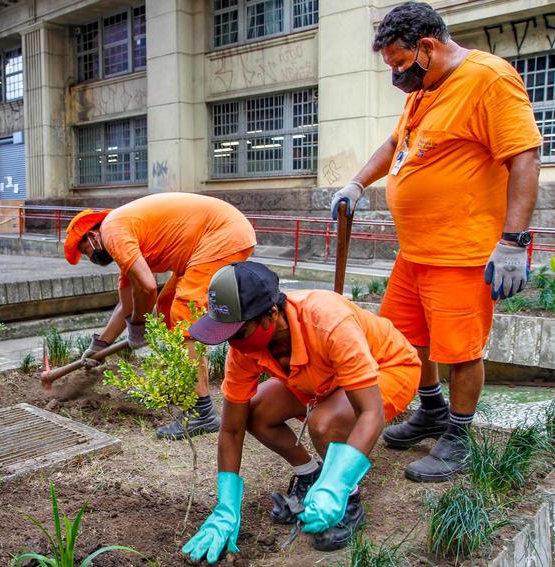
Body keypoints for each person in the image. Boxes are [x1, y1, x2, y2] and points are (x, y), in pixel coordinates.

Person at [329, 2, 541, 482]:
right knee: (404, 340)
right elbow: (394, 144)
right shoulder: (426, 90)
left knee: (462, 350)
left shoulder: (489, 79)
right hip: (416, 250)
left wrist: (513, 241)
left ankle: (461, 436)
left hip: (462, 252)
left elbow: (525, 157)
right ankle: (431, 410)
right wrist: (357, 184)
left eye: (401, 64)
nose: (397, 75)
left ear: (428, 46)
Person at [181, 262, 420, 559]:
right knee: (255, 413)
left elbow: (369, 412)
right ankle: (310, 474)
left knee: (325, 422)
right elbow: (231, 428)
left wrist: (337, 485)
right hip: (325, 378)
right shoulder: (244, 348)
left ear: (271, 315)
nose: (231, 342)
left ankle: (348, 499)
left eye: (238, 331)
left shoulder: (327, 320)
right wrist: (226, 507)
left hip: (387, 368)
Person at [64, 193, 256, 439]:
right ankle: (183, 384)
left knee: (184, 312)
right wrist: (100, 345)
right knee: (166, 306)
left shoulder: (113, 232)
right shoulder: (123, 236)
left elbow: (146, 287)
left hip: (222, 235)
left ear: (92, 236)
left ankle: (201, 412)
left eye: (85, 251)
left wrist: (139, 326)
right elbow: (126, 305)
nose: (90, 258)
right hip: (213, 238)